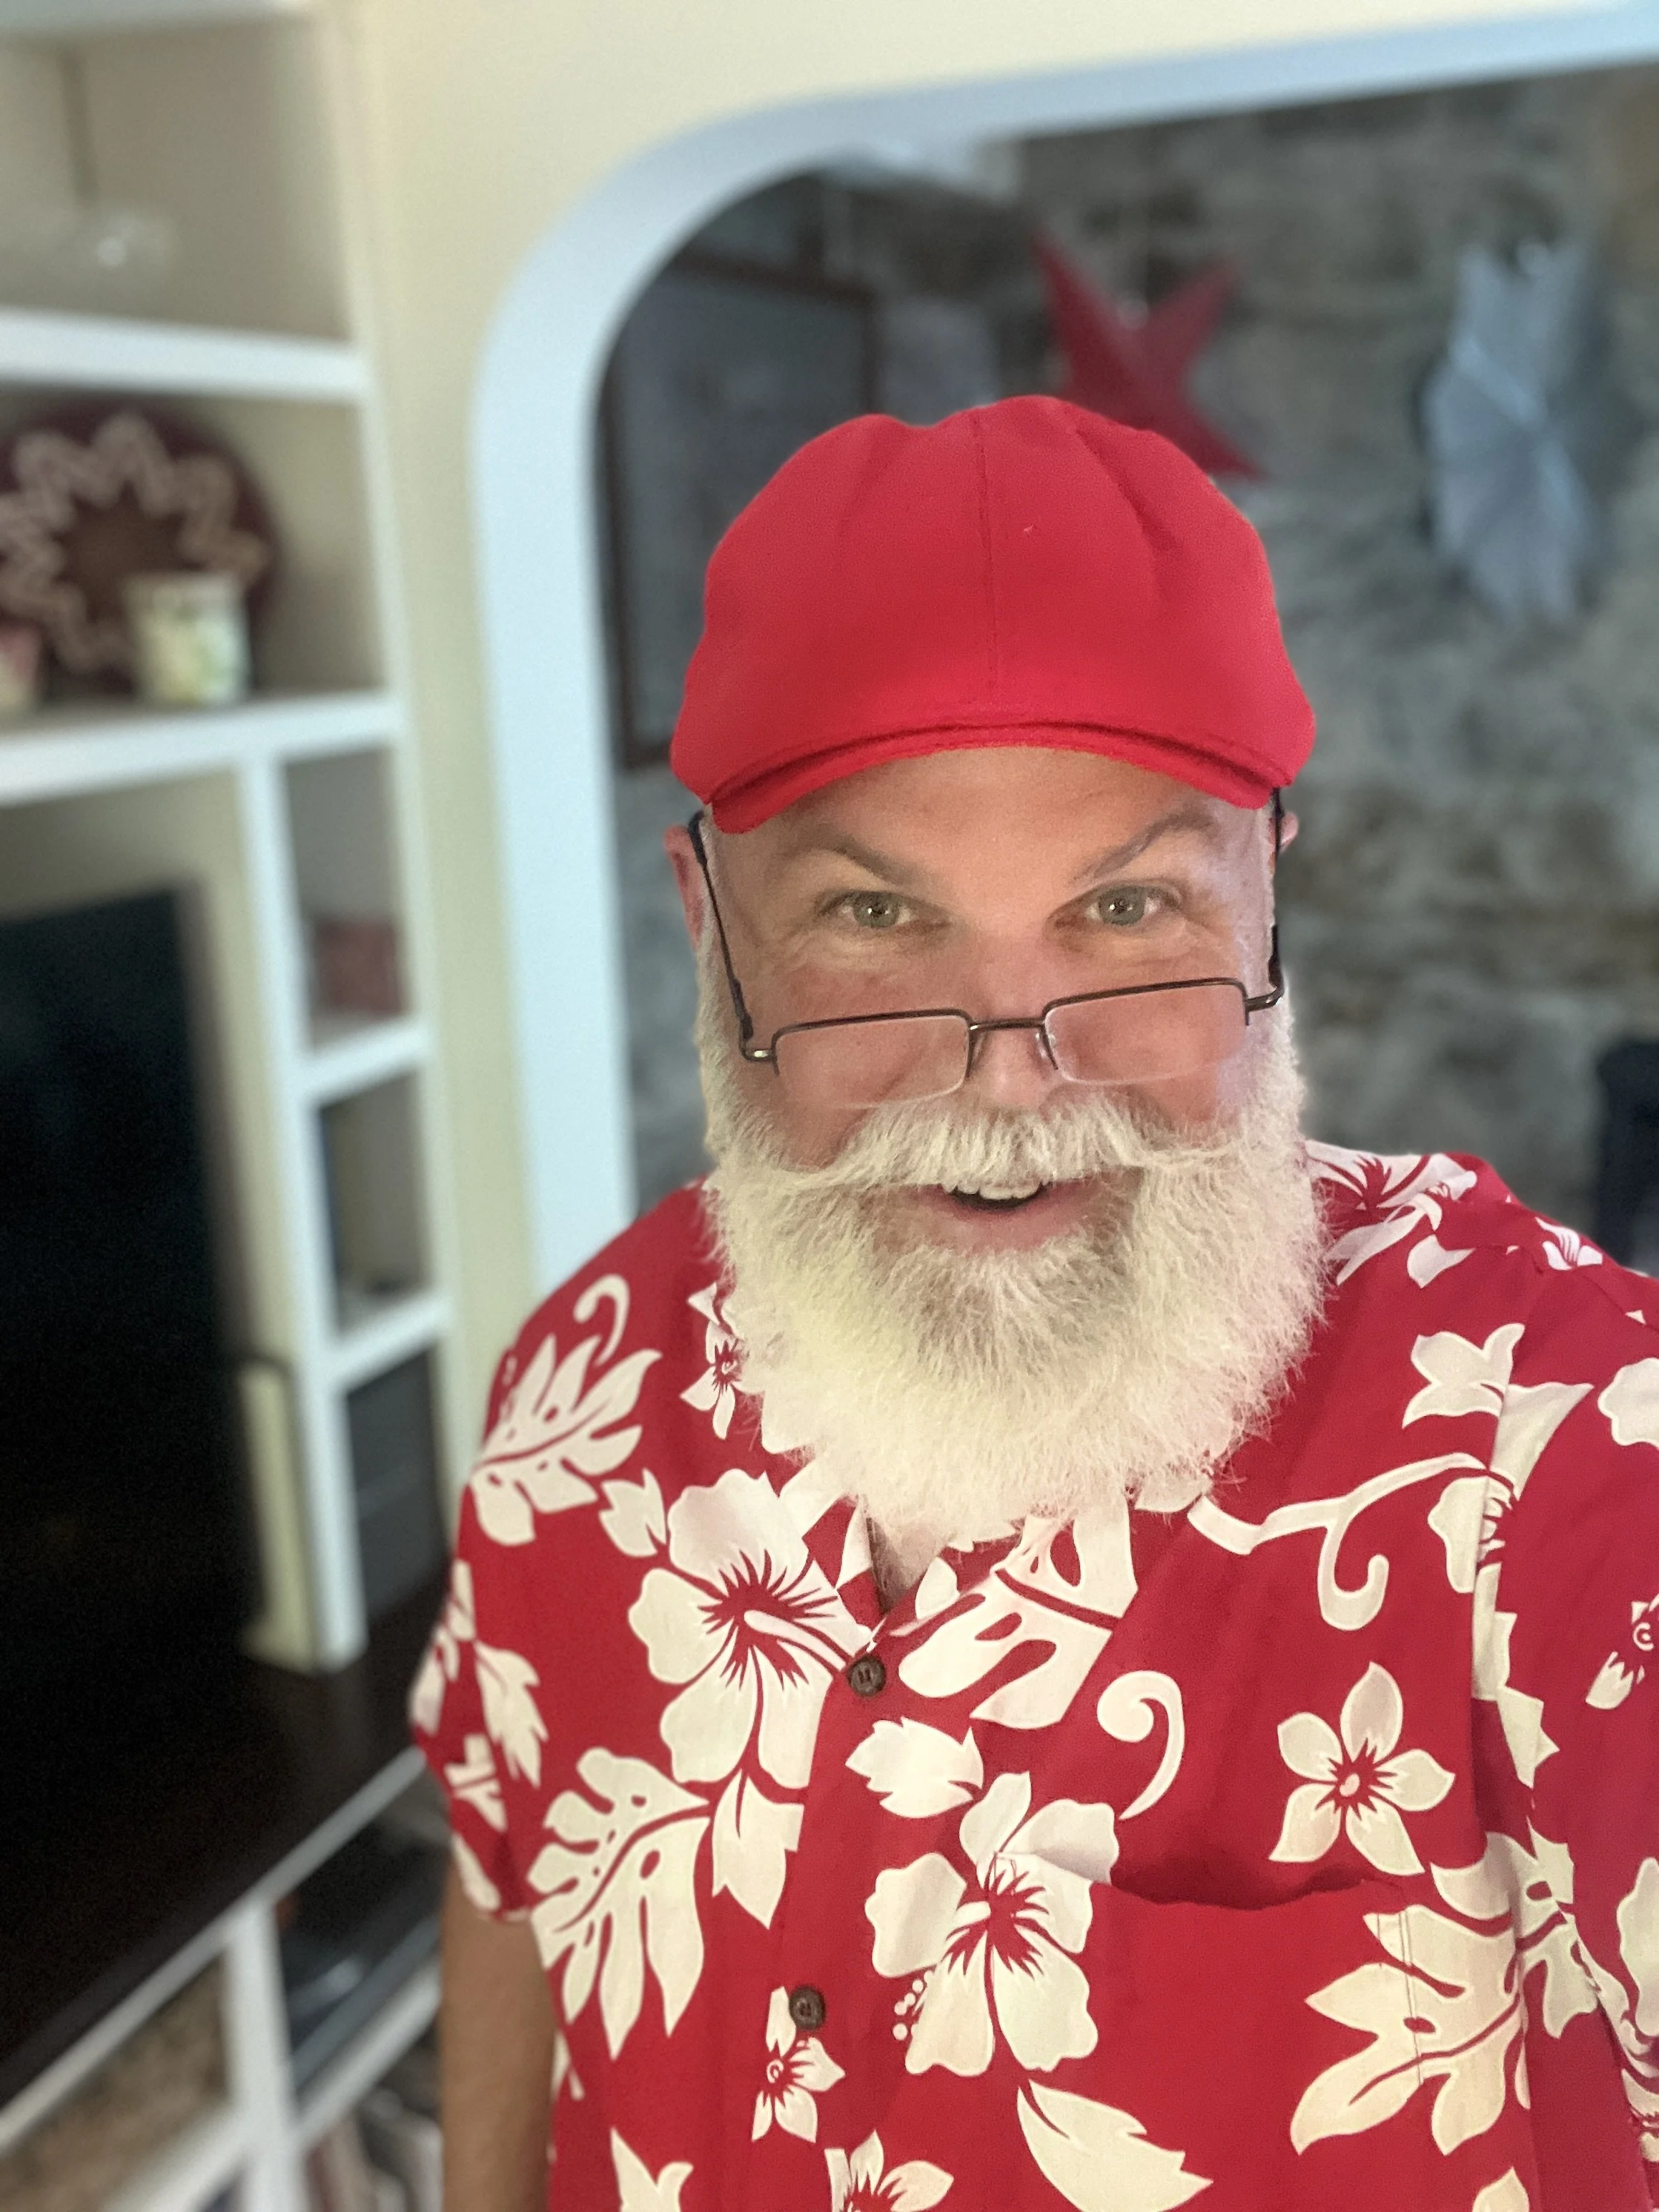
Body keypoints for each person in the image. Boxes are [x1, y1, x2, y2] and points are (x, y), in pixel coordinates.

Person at [413, 398, 1659, 2212]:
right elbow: (506, 1874)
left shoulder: (1554, 1436)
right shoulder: (580, 1379)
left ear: (1265, 884)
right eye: (875, 918)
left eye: (1126, 905)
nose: (1009, 1084)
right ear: (707, 918)